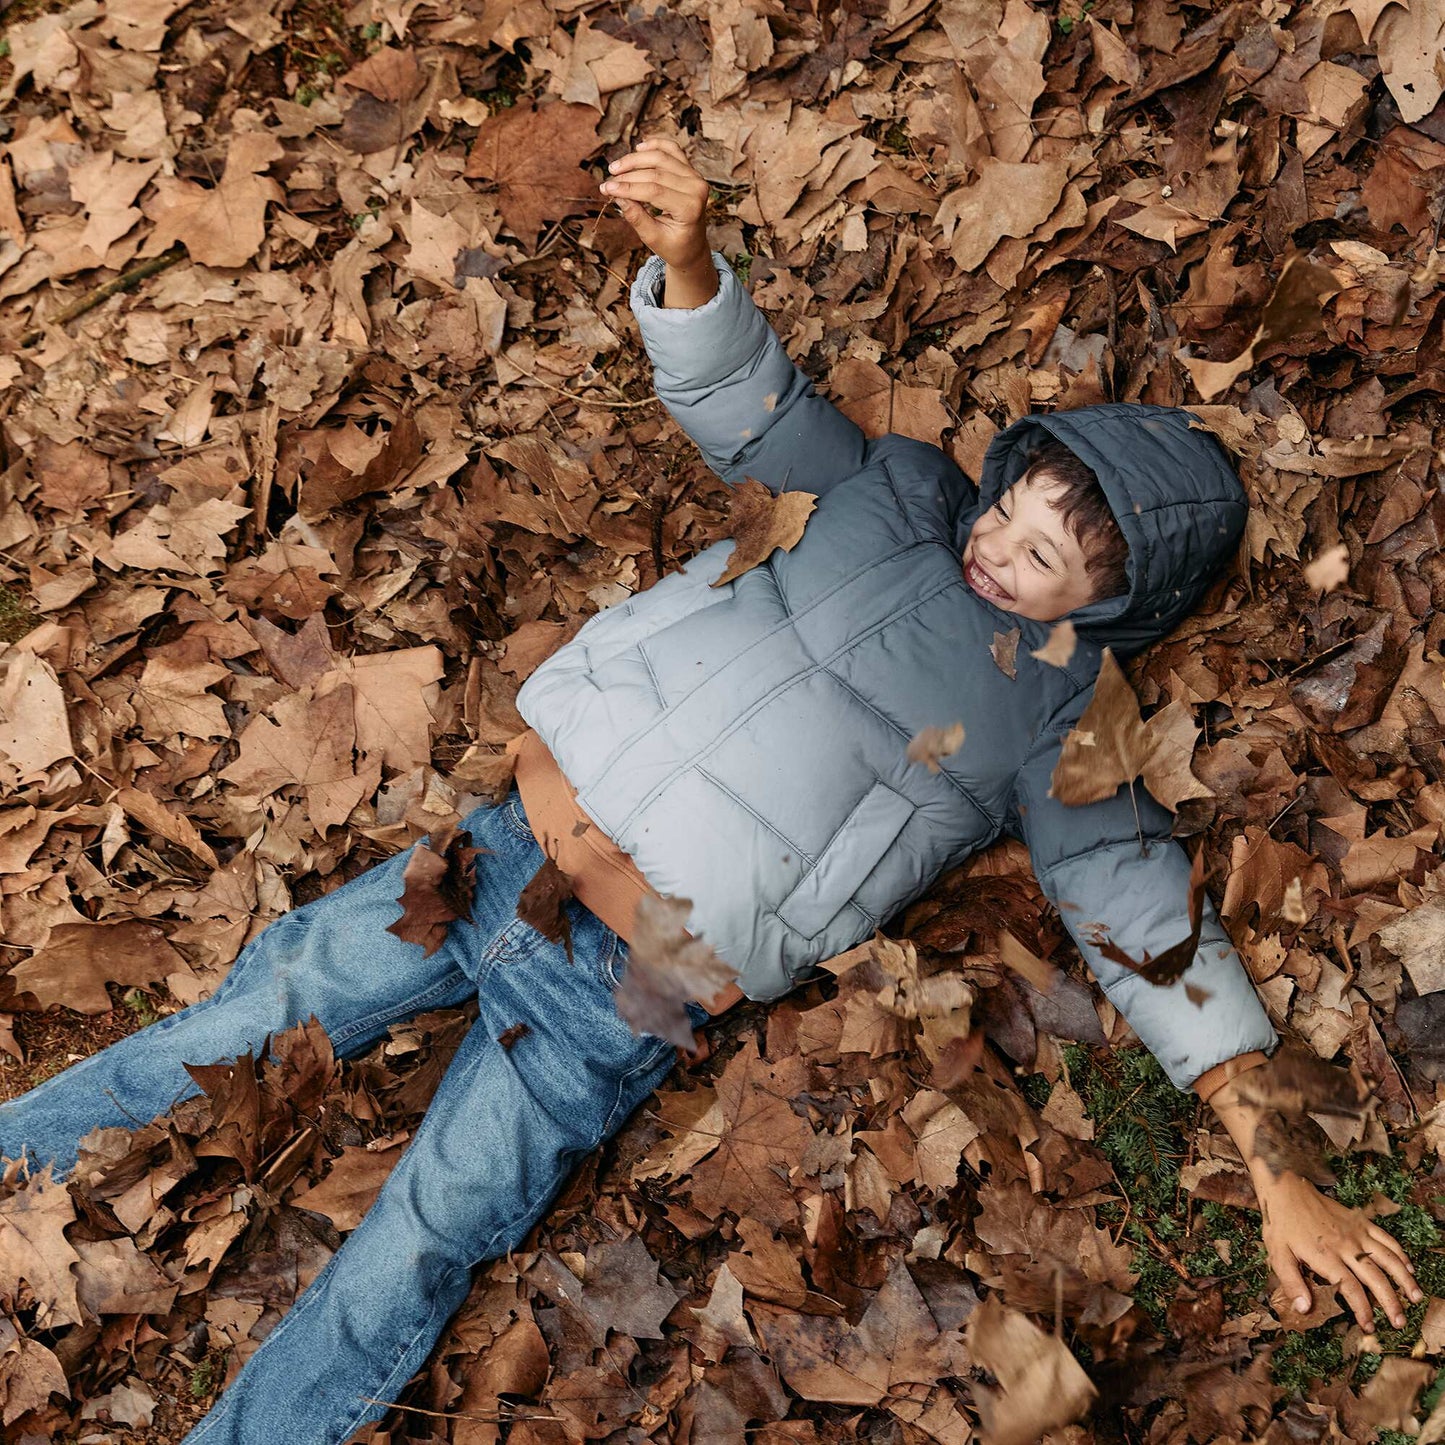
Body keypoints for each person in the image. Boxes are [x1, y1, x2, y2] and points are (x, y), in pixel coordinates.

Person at [0, 137, 1421, 1444]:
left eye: (1047, 555)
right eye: (1014, 503)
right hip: (497, 853)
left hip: (627, 991)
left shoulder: (1064, 711)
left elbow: (1149, 924)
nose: (998, 544)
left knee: (429, 1225)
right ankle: (21, 1161)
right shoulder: (885, 488)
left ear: (1108, 608)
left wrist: (1276, 1155)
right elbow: (752, 410)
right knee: (258, 1004)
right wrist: (689, 266)